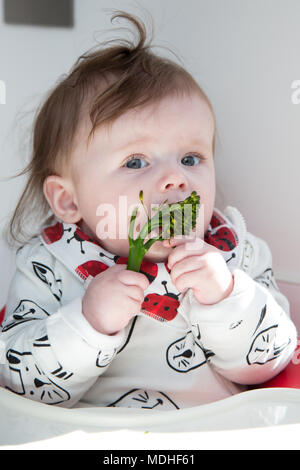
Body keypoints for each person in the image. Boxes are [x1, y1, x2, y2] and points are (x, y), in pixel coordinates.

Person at [0, 12, 297, 409]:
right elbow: (22, 385)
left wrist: (227, 295)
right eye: (136, 162)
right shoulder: (50, 267)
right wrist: (89, 324)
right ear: (69, 200)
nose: (175, 179)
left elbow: (272, 362)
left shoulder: (234, 252)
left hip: (211, 434)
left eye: (191, 158)